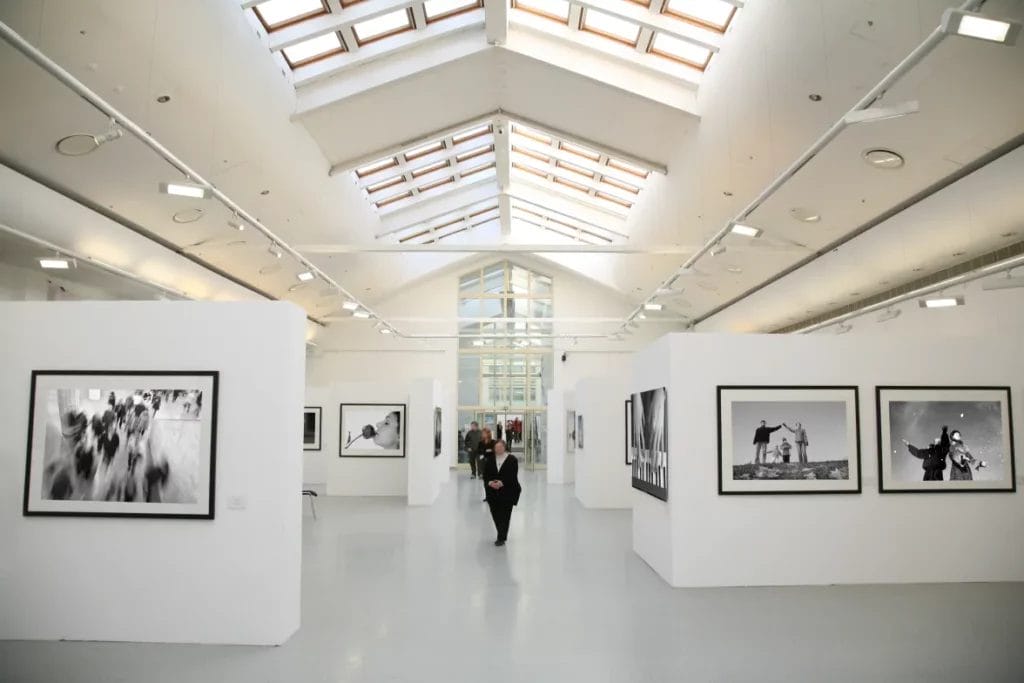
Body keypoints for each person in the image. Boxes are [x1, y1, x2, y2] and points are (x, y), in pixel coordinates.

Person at [482, 440, 521, 546]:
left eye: (500, 447)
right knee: (495, 514)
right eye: (496, 447)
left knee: (505, 515)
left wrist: (502, 483)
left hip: (507, 492)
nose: (498, 449)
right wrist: (490, 482)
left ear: (504, 447)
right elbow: (485, 475)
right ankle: (501, 531)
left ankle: (501, 537)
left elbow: (513, 476)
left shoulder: (512, 460)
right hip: (492, 493)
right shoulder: (490, 460)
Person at [476, 427, 496, 500]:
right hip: (483, 464)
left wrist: (485, 452)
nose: (483, 434)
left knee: (493, 481)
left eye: (484, 433)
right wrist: (486, 452)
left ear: (488, 434)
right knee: (486, 481)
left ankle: (493, 495)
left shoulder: (493, 442)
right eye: (482, 433)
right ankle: (487, 496)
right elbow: (479, 452)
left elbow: (494, 452)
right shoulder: (480, 443)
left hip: (492, 464)